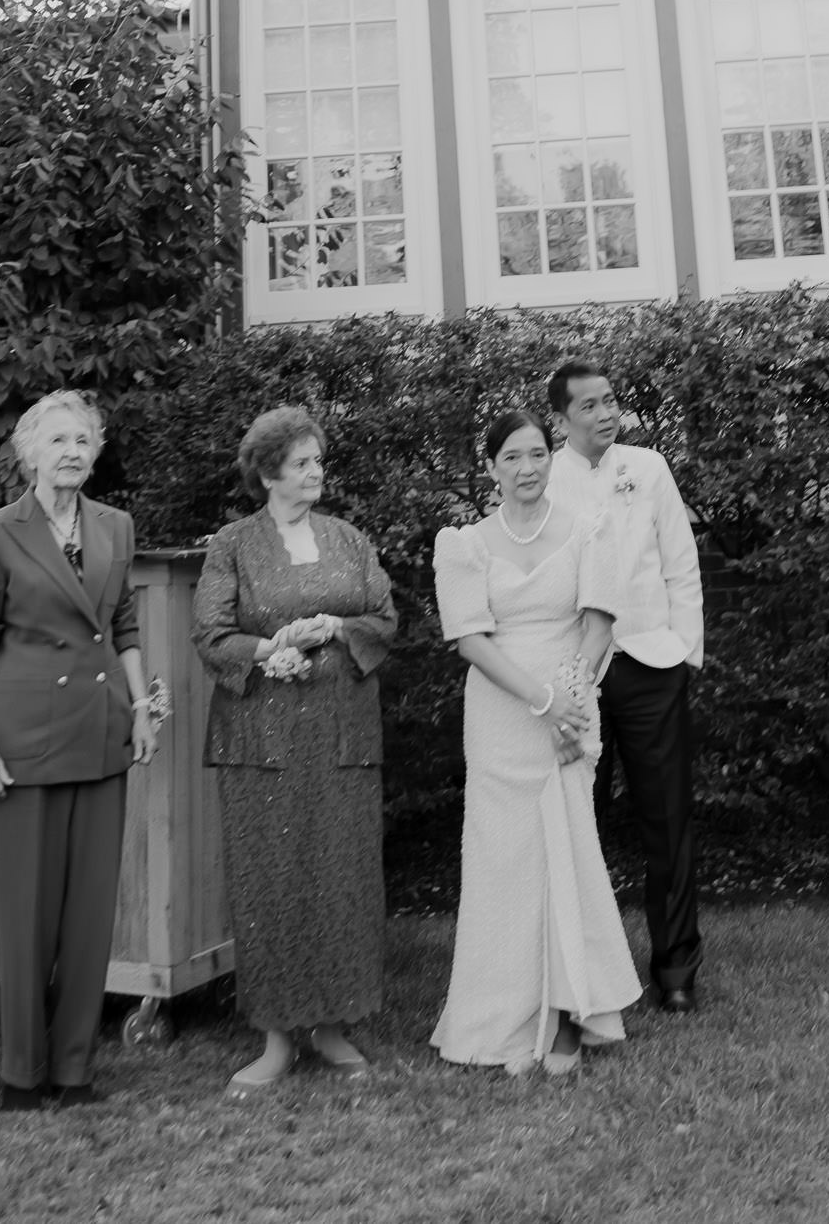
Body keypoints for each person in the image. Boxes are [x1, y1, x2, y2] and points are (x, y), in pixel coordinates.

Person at [0, 389, 159, 1110]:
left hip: (101, 733)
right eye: (58, 440)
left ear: (95, 451)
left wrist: (141, 707)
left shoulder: (115, 525)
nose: (72, 451)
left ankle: (73, 1073)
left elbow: (125, 624)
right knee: (25, 915)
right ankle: (20, 1075)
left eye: (83, 440)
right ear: (29, 453)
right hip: (21, 742)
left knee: (89, 914)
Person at [192, 406, 397, 1096]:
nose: (317, 471)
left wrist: (338, 625)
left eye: (318, 460)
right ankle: (277, 1038)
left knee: (343, 877)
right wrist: (269, 649)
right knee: (270, 882)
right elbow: (212, 635)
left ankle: (334, 1027)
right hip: (263, 742)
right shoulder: (232, 545)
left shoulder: (349, 537)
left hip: (342, 736)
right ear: (270, 470)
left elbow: (386, 618)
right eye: (305, 461)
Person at [430, 407, 641, 1075]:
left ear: (551, 460)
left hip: (571, 707)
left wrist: (572, 697)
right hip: (501, 714)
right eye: (512, 458)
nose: (527, 468)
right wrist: (540, 699)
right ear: (490, 468)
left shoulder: (587, 530)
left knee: (568, 850)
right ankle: (503, 1016)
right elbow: (470, 639)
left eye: (537, 455)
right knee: (503, 862)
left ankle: (571, 1012)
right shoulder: (464, 544)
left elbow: (599, 619)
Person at [545, 360, 704, 1012]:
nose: (607, 413)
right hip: (576, 669)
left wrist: (685, 650)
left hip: (649, 662)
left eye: (611, 401)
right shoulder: (542, 475)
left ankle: (676, 968)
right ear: (561, 420)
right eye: (590, 406)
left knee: (666, 818)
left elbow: (680, 559)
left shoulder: (650, 467)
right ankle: (582, 968)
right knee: (578, 821)